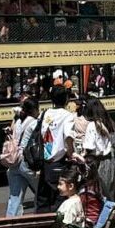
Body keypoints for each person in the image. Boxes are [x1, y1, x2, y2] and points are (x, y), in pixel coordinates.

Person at [35, 85, 76, 213]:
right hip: (59, 161)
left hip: (44, 162)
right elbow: (68, 138)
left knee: (43, 199)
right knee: (59, 198)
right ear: (66, 100)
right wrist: (71, 155)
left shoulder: (45, 113)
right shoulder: (68, 116)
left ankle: (42, 227)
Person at [82, 98, 115, 201]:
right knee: (111, 192)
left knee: (101, 195)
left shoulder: (92, 126)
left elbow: (90, 147)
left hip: (98, 163)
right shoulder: (110, 123)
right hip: (111, 161)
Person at [6, 97, 40, 217]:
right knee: (41, 192)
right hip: (27, 162)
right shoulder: (34, 122)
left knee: (14, 198)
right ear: (35, 109)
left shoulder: (18, 121)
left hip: (14, 161)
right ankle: (40, 221)